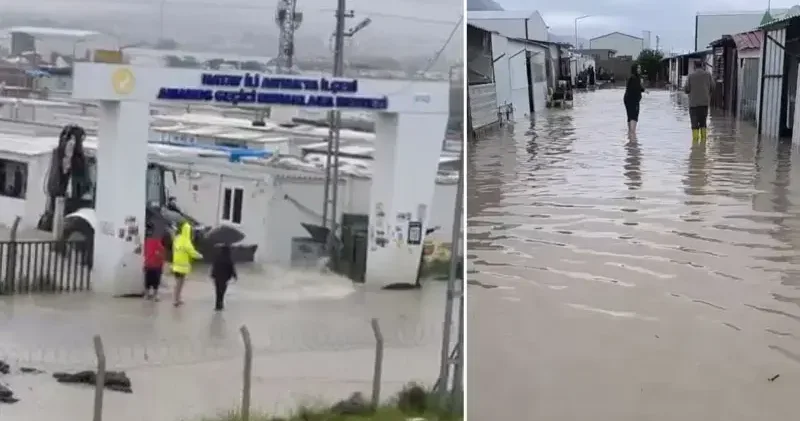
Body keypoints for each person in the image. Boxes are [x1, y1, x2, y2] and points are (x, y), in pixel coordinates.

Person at [171, 221, 202, 307]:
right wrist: (200, 256)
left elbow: (174, 249)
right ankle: (176, 300)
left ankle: (177, 299)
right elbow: (192, 252)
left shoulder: (177, 239)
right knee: (179, 284)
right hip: (182, 267)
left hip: (176, 265)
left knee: (177, 284)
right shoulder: (186, 241)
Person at [684, 60, 714, 142]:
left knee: (694, 124)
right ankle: (703, 143)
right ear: (702, 66)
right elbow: (712, 88)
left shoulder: (690, 76)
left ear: (694, 66)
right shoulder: (708, 75)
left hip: (693, 104)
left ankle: (695, 144)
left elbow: (686, 89)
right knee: (703, 123)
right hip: (704, 103)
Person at [210, 244, 238, 311]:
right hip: (224, 278)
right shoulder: (229, 258)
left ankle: (217, 305)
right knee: (222, 291)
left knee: (217, 290)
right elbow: (232, 268)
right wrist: (235, 276)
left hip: (217, 276)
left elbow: (214, 266)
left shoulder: (217, 257)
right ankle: (221, 303)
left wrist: (212, 274)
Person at [143, 227, 166, 301]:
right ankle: (155, 295)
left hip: (149, 264)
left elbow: (145, 253)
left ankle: (147, 295)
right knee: (155, 281)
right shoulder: (158, 242)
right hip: (156, 265)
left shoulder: (147, 241)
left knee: (148, 280)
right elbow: (161, 254)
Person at [623, 63, 645, 138]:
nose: (640, 69)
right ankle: (633, 137)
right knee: (634, 117)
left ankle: (630, 135)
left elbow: (636, 88)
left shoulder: (632, 77)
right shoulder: (635, 78)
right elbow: (636, 89)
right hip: (632, 100)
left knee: (630, 116)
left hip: (627, 99)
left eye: (640, 68)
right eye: (638, 68)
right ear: (635, 69)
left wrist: (643, 89)